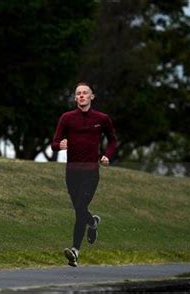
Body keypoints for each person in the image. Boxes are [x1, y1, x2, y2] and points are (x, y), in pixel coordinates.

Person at [51, 82, 117, 267]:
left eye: (85, 93)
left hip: (91, 172)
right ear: (75, 98)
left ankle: (75, 251)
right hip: (72, 172)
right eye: (78, 93)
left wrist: (107, 156)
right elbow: (54, 143)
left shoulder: (102, 119)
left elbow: (113, 141)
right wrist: (59, 145)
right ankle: (93, 223)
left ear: (92, 97)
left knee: (80, 207)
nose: (81, 96)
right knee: (79, 210)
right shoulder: (67, 118)